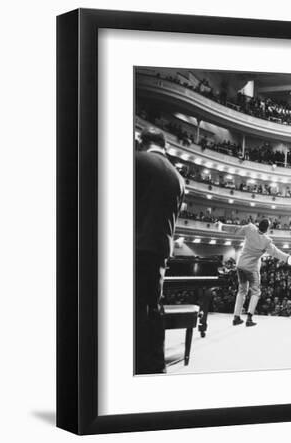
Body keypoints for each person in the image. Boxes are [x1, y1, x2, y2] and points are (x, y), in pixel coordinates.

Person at [135, 128, 185, 374]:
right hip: (159, 249)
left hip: (134, 244)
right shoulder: (178, 177)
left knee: (131, 307)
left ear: (143, 142)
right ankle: (154, 364)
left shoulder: (137, 160)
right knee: (151, 307)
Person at [216, 219, 291, 327]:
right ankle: (249, 318)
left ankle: (236, 317)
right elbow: (278, 254)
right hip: (251, 268)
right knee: (256, 292)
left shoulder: (250, 228)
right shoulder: (266, 241)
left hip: (240, 265)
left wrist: (221, 226)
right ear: (267, 229)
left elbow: (235, 229)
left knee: (242, 291)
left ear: (258, 225)